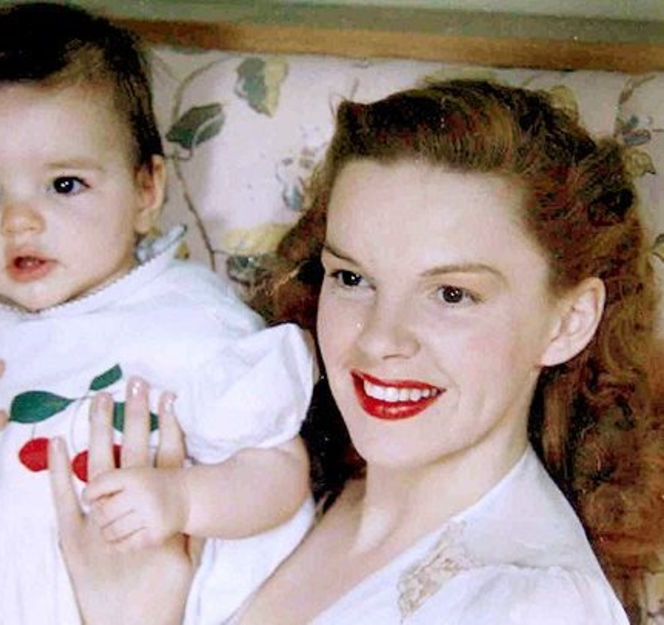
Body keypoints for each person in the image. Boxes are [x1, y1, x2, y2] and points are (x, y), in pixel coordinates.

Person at [56, 78, 662, 624]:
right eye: (352, 279)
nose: (377, 339)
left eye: (451, 294)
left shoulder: (531, 607)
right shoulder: (289, 481)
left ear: (568, 321)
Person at [0, 4, 314, 625]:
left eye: (64, 184)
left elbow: (278, 472)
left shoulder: (185, 320)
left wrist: (182, 498)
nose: (18, 221)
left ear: (147, 189)